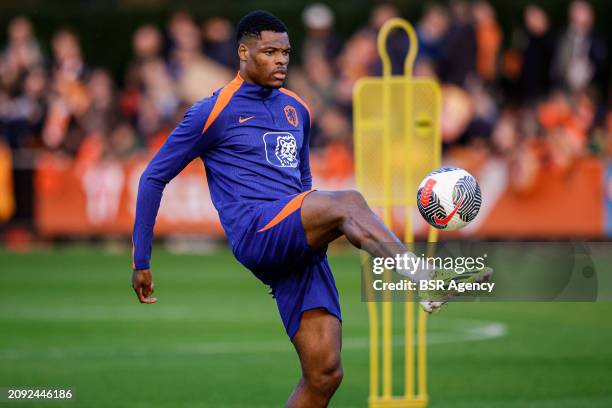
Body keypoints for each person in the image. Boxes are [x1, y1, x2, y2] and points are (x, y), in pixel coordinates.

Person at [131, 10, 490, 407]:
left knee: (325, 375)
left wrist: (324, 230)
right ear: (243, 52)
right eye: (269, 52)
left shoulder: (297, 109)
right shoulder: (212, 111)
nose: (281, 60)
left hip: (294, 239)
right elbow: (152, 177)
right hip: (257, 230)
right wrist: (142, 260)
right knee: (349, 200)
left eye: (285, 52)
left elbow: (303, 186)